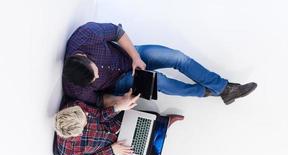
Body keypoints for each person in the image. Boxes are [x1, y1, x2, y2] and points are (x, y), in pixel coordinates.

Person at [62, 22, 257, 106]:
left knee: (177, 57)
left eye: (94, 72)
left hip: (129, 56)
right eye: (94, 80)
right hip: (119, 82)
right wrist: (119, 101)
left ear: (84, 56)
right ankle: (207, 92)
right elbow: (97, 100)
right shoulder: (75, 87)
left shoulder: (86, 35)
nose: (97, 77)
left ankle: (223, 89)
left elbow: (116, 32)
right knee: (159, 81)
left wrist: (136, 58)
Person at [54, 89, 183, 155]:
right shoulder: (70, 153)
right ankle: (159, 132)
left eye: (85, 117)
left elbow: (98, 115)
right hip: (104, 148)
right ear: (78, 134)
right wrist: (111, 150)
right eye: (84, 125)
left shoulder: (76, 107)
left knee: (152, 117)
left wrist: (117, 108)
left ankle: (161, 126)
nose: (87, 119)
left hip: (108, 126)